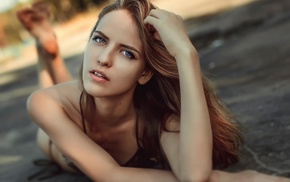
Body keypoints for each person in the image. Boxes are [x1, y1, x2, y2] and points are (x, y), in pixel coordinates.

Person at [17, 0, 290, 181]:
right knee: (59, 97)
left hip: (83, 105)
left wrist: (186, 54)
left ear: (146, 72)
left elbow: (194, 176)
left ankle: (48, 49)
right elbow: (112, 176)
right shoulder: (44, 104)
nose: (104, 58)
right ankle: (48, 51)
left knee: (82, 90)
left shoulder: (158, 118)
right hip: (55, 143)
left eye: (127, 52)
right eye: (99, 39)